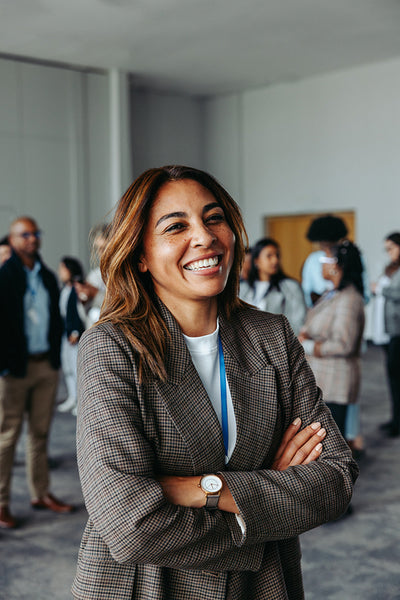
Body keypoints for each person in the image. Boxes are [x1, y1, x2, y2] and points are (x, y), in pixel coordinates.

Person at [72, 166, 358, 600]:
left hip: (261, 587)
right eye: (176, 226)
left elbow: (336, 480)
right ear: (141, 254)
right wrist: (265, 494)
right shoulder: (112, 347)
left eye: (214, 218)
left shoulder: (271, 336)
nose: (204, 237)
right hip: (149, 585)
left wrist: (205, 489)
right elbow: (129, 524)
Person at [0, 217, 74, 529]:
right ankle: (1, 503)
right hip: (15, 369)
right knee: (7, 436)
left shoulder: (44, 275)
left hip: (46, 364)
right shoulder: (4, 275)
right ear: (12, 239)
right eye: (24, 234)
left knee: (40, 434)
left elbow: (55, 318)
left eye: (35, 233)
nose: (32, 239)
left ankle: (40, 492)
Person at [299, 241, 365, 437]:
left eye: (324, 259)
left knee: (332, 444)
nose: (321, 265)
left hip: (335, 382)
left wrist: (307, 344)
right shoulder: (332, 293)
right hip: (324, 379)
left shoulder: (349, 299)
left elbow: (343, 344)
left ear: (337, 266)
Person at [239, 237, 306, 335]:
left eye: (277, 256)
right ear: (257, 260)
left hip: (278, 343)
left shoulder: (290, 286)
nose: (275, 260)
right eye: (269, 256)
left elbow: (298, 321)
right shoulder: (243, 288)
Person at [57, 256, 87, 415]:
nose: (60, 272)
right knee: (68, 368)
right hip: (65, 334)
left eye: (63, 269)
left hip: (75, 334)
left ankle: (80, 401)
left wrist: (75, 331)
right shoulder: (64, 289)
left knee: (76, 369)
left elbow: (77, 313)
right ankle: (72, 397)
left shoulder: (78, 288)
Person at [379, 232, 400, 437]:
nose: (389, 253)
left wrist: (382, 290)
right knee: (393, 379)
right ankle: (396, 420)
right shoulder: (392, 269)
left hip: (399, 332)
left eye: (391, 248)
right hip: (392, 332)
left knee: (396, 378)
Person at [75, 223, 110, 327]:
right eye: (98, 248)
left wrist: (96, 294)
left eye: (104, 248)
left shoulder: (125, 275)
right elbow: (84, 315)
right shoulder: (94, 275)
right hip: (94, 333)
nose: (100, 253)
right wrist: (83, 300)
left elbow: (124, 310)